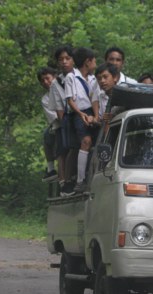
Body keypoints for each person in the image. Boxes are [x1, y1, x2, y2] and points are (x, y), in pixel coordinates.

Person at [65, 47, 100, 195]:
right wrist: (81, 114)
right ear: (87, 62)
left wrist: (96, 116)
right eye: (94, 61)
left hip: (93, 111)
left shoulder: (94, 78)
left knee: (100, 141)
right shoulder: (71, 77)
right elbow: (69, 100)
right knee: (85, 141)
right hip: (79, 112)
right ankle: (80, 180)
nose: (96, 64)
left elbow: (95, 99)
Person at [47, 45, 78, 194]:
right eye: (61, 60)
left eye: (67, 58)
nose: (64, 62)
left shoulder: (81, 76)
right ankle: (67, 180)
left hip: (86, 114)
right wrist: (66, 123)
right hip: (68, 118)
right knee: (69, 148)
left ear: (73, 60)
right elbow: (59, 108)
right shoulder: (55, 83)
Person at [37, 66, 59, 182]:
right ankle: (51, 169)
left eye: (47, 78)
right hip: (59, 123)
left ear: (54, 77)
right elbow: (55, 118)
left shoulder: (66, 88)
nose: (46, 82)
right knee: (47, 134)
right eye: (43, 80)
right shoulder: (45, 99)